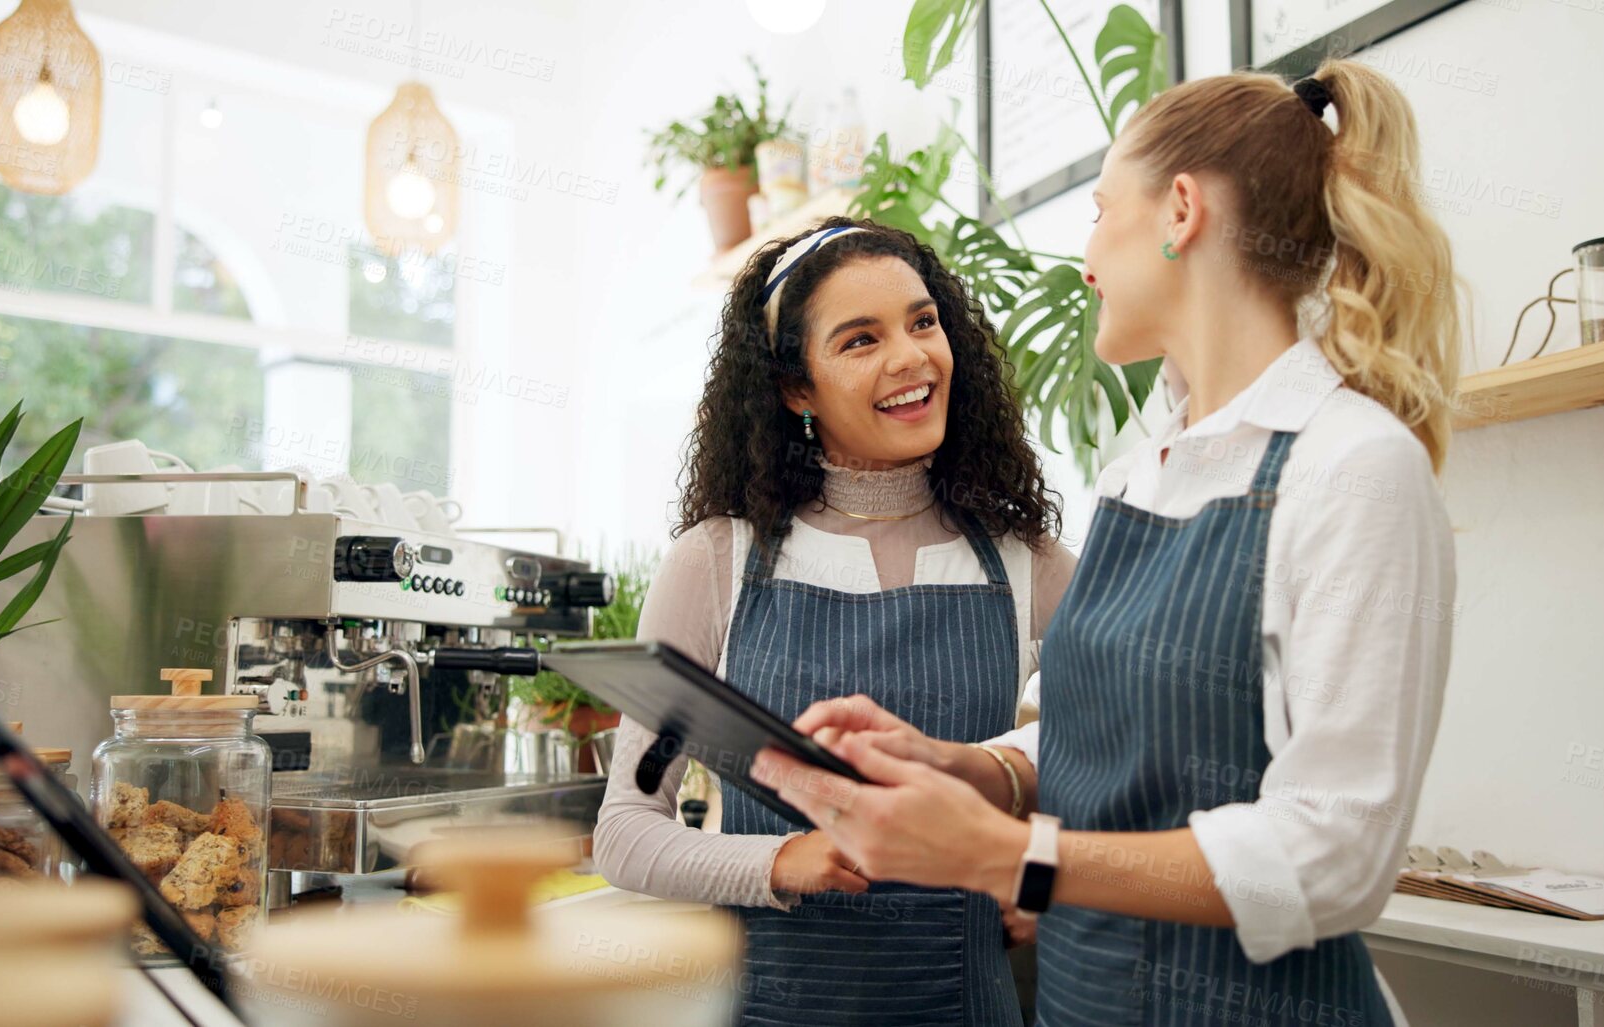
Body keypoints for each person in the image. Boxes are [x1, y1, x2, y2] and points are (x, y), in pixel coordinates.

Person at [756, 59, 1461, 1027]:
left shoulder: (1352, 467)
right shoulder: (1142, 470)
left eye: (1097, 209)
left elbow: (1337, 857)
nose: (1085, 257)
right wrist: (970, 765)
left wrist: (1006, 855)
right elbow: (1112, 732)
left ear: (1180, 211)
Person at [594, 217, 1078, 1025]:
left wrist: (1042, 881)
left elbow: (1115, 772)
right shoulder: (718, 562)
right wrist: (785, 858)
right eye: (860, 340)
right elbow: (628, 828)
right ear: (795, 389)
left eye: (923, 322)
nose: (910, 357)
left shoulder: (1030, 562)